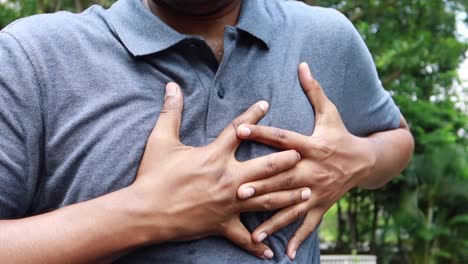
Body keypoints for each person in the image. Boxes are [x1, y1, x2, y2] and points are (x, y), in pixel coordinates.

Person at [0, 0, 414, 263]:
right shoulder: (31, 59)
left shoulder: (327, 38)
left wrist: (356, 162)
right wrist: (145, 213)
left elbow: (397, 138)